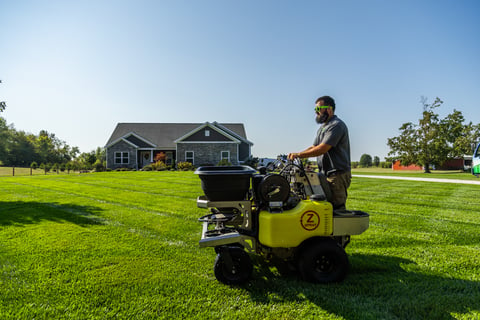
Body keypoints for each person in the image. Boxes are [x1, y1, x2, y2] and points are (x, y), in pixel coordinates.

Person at [288, 96, 351, 210]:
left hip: (336, 175)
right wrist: (298, 154)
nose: (316, 112)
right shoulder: (323, 128)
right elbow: (314, 146)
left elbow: (322, 148)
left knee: (336, 209)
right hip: (325, 173)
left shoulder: (336, 125)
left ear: (329, 109)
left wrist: (299, 155)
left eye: (319, 109)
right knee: (323, 207)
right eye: (315, 110)